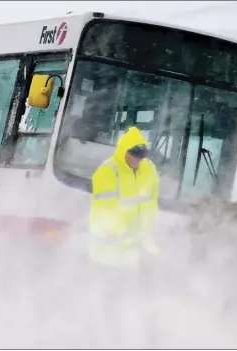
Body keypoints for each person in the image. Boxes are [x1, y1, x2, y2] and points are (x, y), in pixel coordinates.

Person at [88, 126, 161, 347]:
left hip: (136, 251)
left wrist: (148, 240)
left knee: (144, 302)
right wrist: (128, 239)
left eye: (140, 157)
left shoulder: (149, 170)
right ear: (123, 152)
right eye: (133, 156)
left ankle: (146, 341)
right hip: (108, 254)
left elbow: (150, 205)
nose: (136, 160)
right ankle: (108, 342)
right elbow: (105, 214)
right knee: (112, 305)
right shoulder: (107, 172)